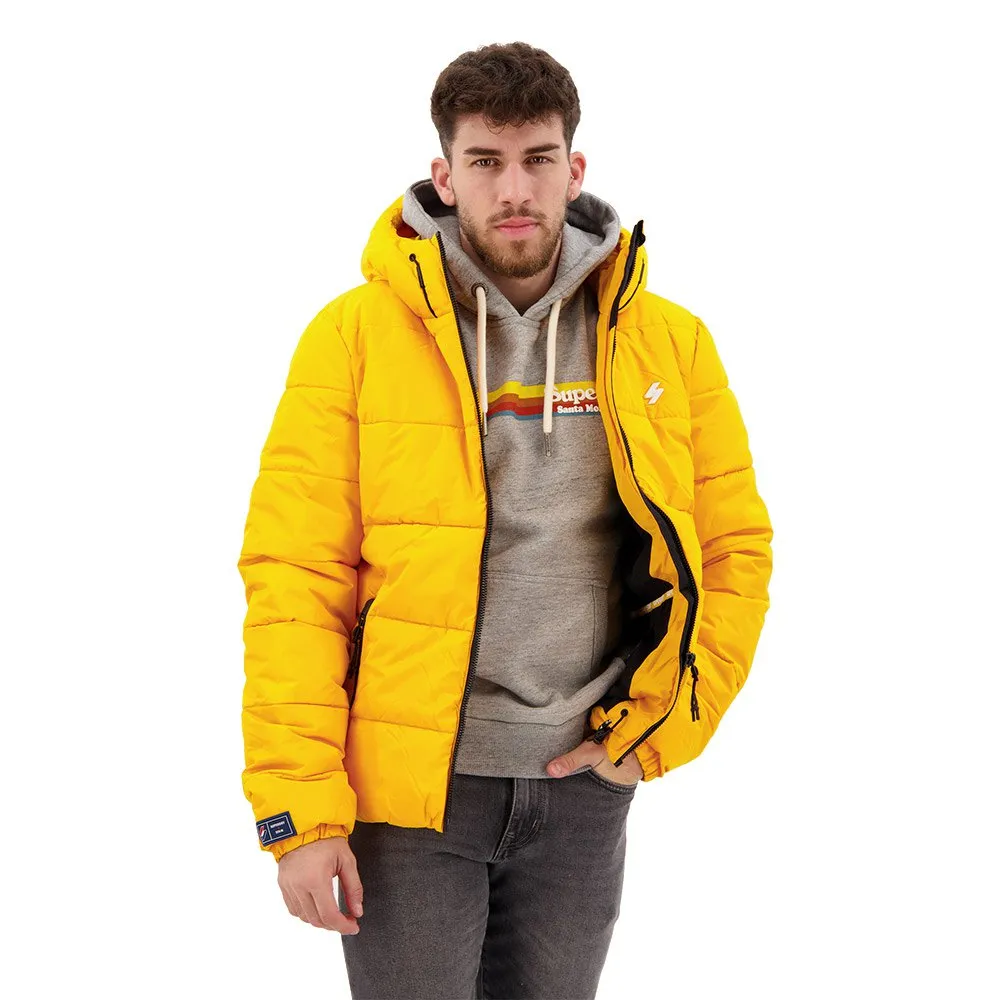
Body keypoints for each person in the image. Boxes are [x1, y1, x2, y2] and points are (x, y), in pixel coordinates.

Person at [237, 40, 773, 1000]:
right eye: (485, 161)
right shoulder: (352, 339)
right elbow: (295, 580)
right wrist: (299, 814)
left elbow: (735, 552)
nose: (514, 188)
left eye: (537, 159)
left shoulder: (668, 344)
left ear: (575, 168)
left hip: (582, 790)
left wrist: (657, 731)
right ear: (445, 176)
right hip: (408, 797)